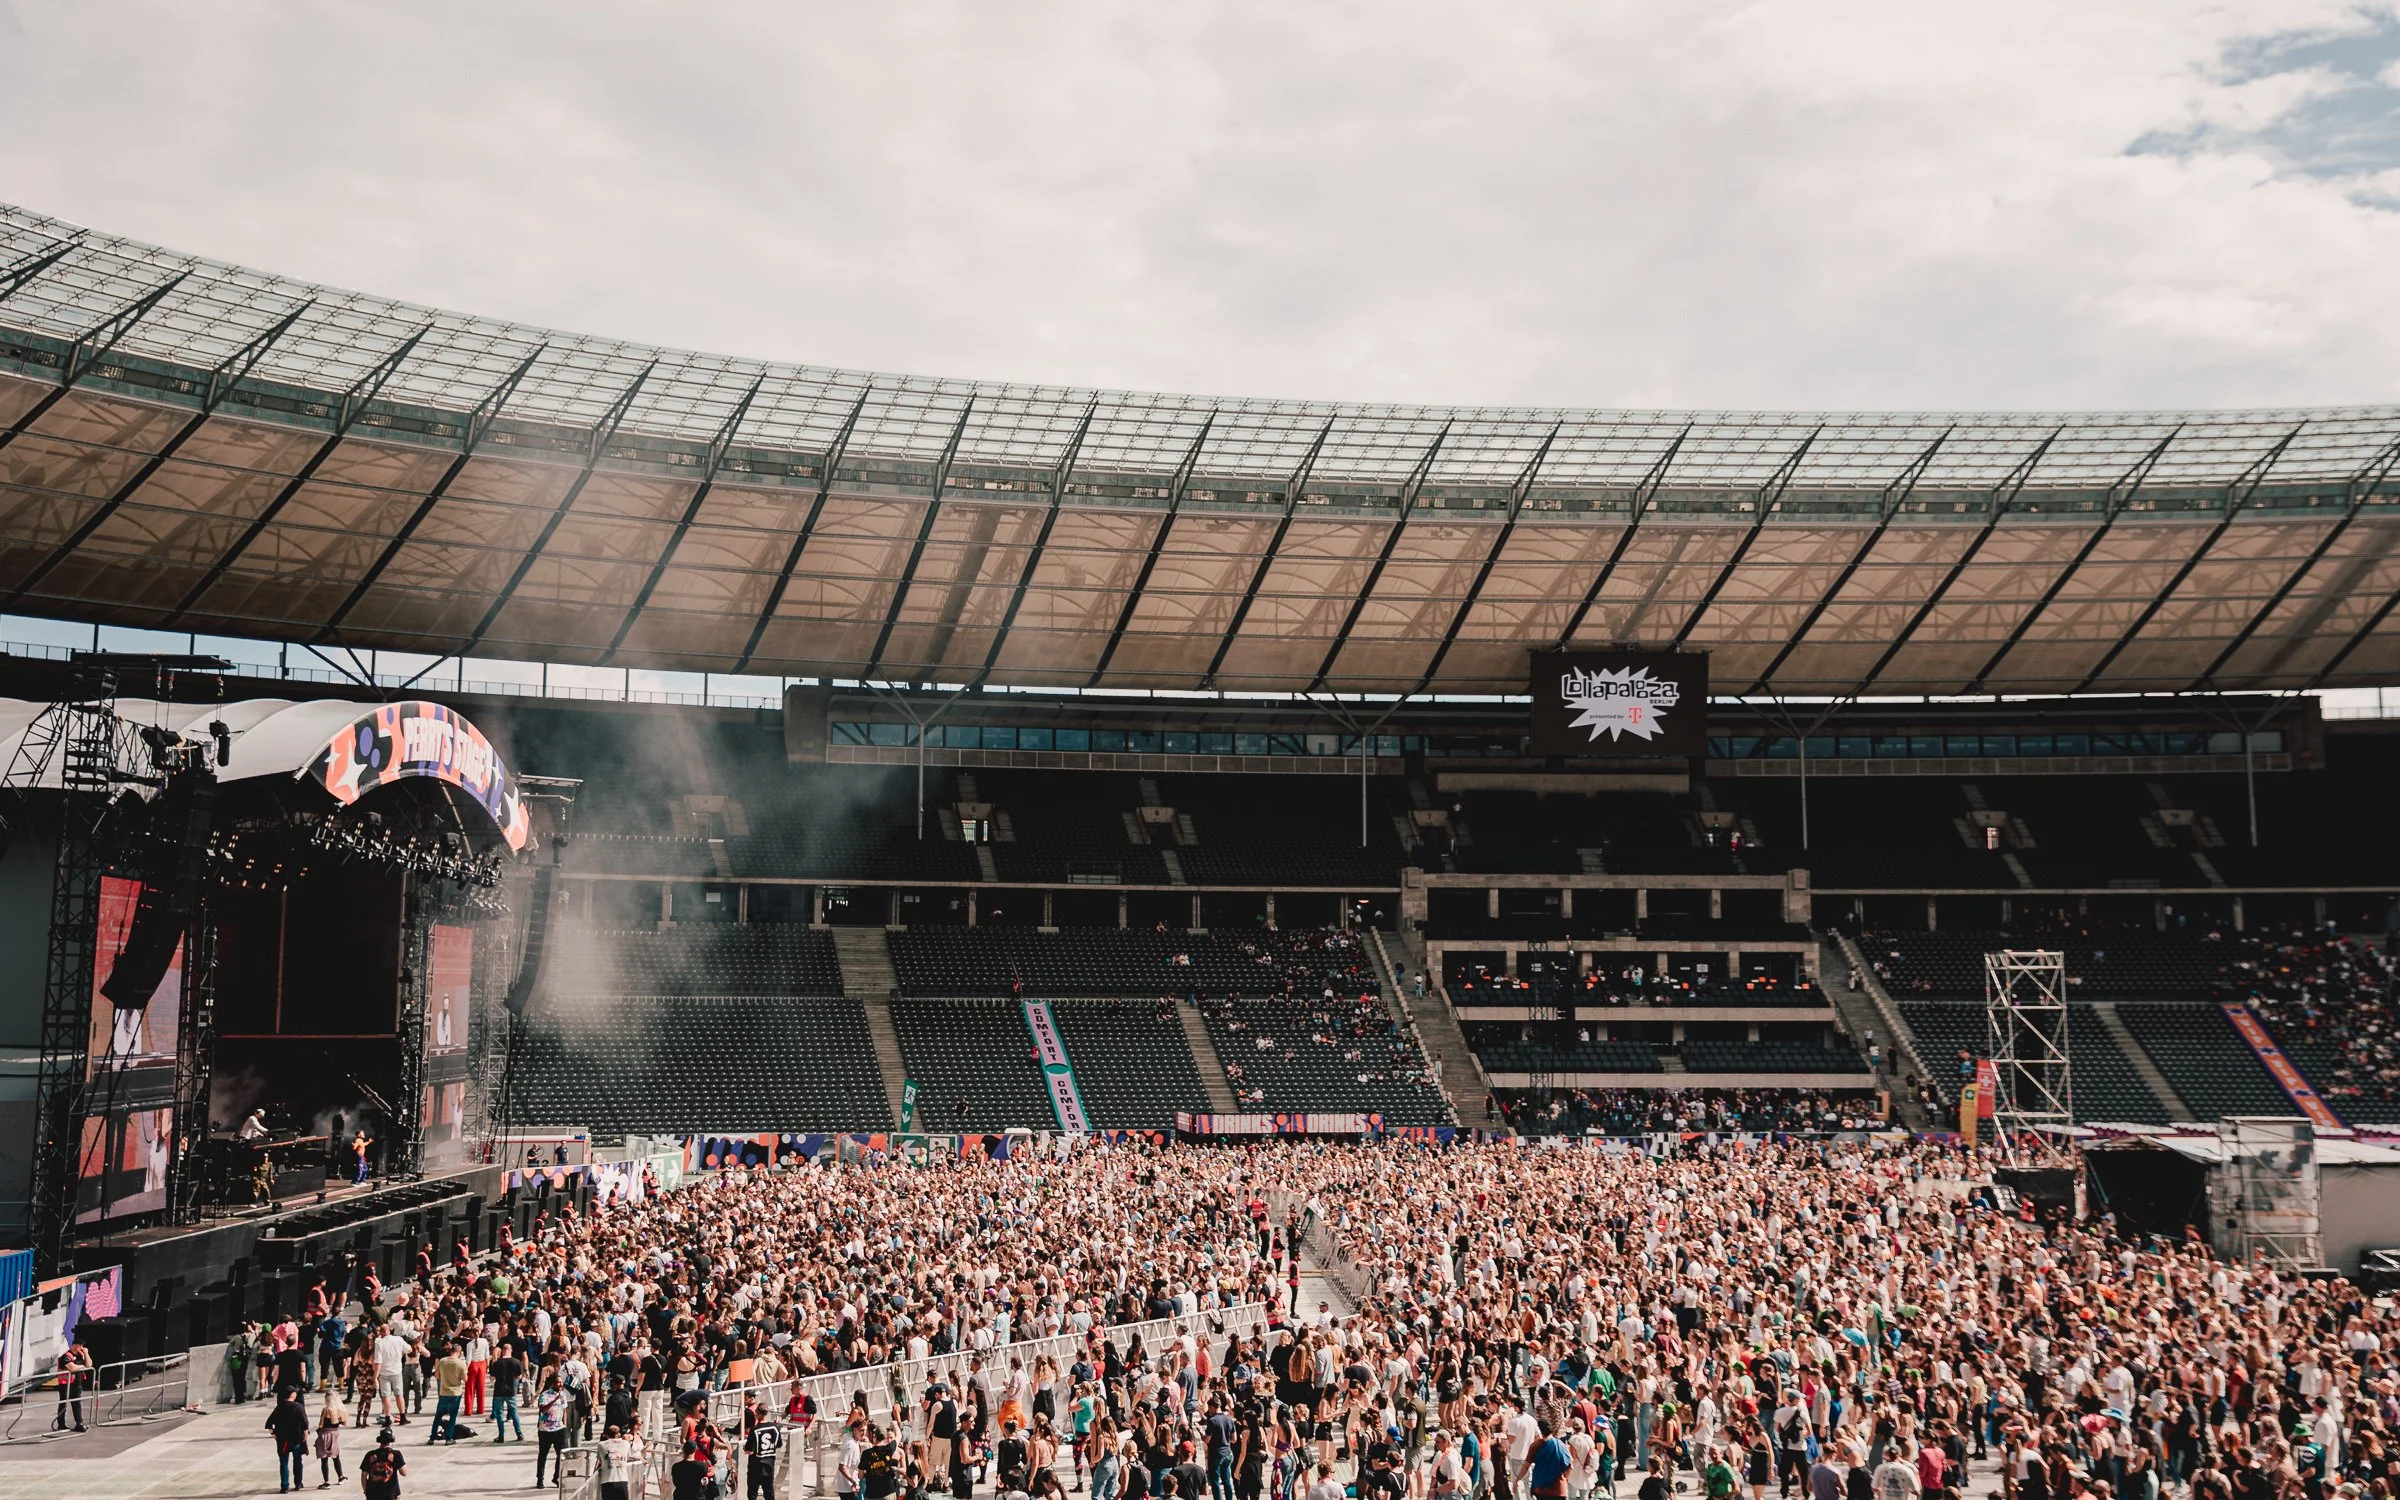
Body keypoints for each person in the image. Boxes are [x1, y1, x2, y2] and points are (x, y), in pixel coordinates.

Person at [267, 1386, 311, 1493]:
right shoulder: (298, 1407)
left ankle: (284, 1486)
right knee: (297, 1461)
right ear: (292, 1395)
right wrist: (305, 1437)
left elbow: (269, 1422)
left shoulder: (280, 1407)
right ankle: (298, 1483)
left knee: (283, 1463)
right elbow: (305, 1424)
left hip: (282, 1440)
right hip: (296, 1439)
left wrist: (273, 1433)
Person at [535, 1369, 572, 1486]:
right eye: (558, 1382)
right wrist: (554, 1400)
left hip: (559, 1428)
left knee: (562, 1454)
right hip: (545, 1429)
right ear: (552, 1384)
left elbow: (564, 1410)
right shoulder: (544, 1395)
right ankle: (540, 1478)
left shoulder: (563, 1395)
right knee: (543, 1454)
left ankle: (556, 1477)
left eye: (561, 1382)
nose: (560, 1384)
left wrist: (564, 1425)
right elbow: (542, 1409)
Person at [427, 1343, 466, 1444]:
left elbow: (436, 1375)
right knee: (452, 1417)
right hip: (455, 1393)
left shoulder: (442, 1361)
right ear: (459, 1352)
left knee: (438, 1415)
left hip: (443, 1392)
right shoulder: (461, 1363)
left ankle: (432, 1437)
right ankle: (448, 1438)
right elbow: (465, 1379)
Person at [489, 1342, 525, 1442]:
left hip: (499, 1390)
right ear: (511, 1350)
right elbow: (519, 1376)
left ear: (502, 1351)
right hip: (511, 1390)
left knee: (499, 1413)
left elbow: (491, 1378)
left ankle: (501, 1436)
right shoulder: (516, 1362)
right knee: (514, 1412)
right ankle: (519, 1434)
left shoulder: (497, 1363)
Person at [53, 1339, 92, 1431]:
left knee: (77, 1403)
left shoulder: (81, 1355)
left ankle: (79, 1423)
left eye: (82, 1346)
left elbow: (89, 1365)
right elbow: (72, 1368)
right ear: (74, 1345)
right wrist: (81, 1366)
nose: (82, 1348)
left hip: (77, 1384)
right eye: (80, 1345)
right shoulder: (66, 1356)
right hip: (65, 1384)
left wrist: (86, 1354)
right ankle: (61, 1424)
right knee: (63, 1403)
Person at [359, 1427, 407, 1500]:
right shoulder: (395, 1454)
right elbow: (404, 1473)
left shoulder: (370, 1455)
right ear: (391, 1441)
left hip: (373, 1493)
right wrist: (396, 1462)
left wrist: (365, 1490)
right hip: (390, 1493)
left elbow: (364, 1475)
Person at [600, 1423, 642, 1500]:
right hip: (622, 1479)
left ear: (607, 1435)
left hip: (606, 1480)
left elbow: (600, 1460)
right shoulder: (626, 1443)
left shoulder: (601, 1445)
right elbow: (627, 1457)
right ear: (619, 1434)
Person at [316, 1391, 349, 1489]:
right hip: (335, 1434)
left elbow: (321, 1425)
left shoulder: (326, 1410)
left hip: (325, 1434)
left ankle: (326, 1482)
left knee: (324, 1459)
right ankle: (341, 1477)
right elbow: (345, 1423)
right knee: (336, 1457)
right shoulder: (341, 1410)